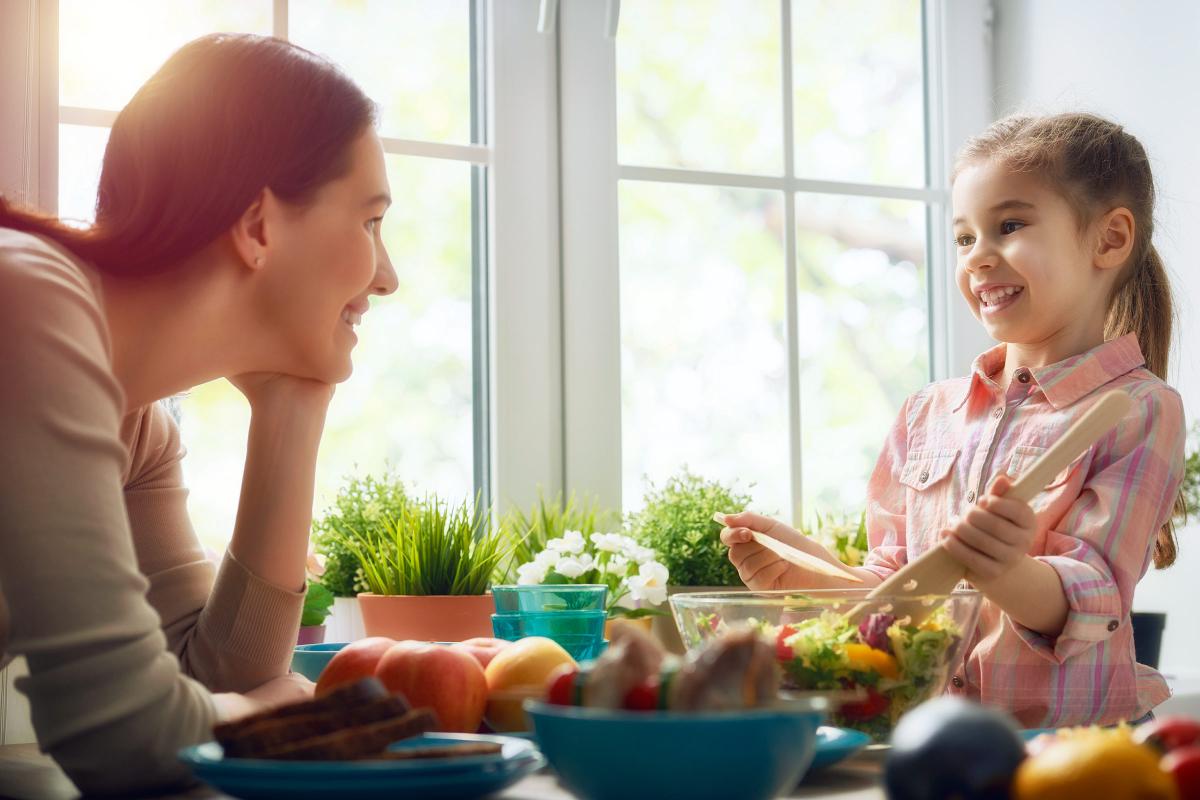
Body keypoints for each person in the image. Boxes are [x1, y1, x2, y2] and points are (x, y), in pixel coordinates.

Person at [0, 33, 397, 794]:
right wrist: (278, 712)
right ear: (258, 227)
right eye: (371, 221)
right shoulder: (29, 302)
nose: (388, 278)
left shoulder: (136, 426)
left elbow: (207, 671)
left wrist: (292, 407)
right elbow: (131, 737)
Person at [720, 113, 1185, 728]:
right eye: (964, 238)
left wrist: (1007, 572)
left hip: (1068, 755)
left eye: (1010, 226)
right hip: (931, 741)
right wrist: (811, 576)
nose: (978, 258)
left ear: (1110, 239)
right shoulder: (927, 412)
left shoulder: (1140, 408)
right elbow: (904, 594)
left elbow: (1094, 597)